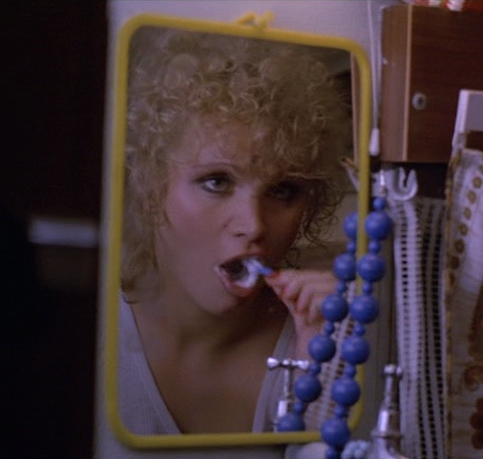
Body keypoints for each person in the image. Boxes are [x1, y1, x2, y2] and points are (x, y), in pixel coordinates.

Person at [97, 26, 352, 458]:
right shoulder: (93, 338)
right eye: (217, 182)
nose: (253, 226)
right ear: (149, 186)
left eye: (283, 191)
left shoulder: (320, 342)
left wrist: (321, 377)